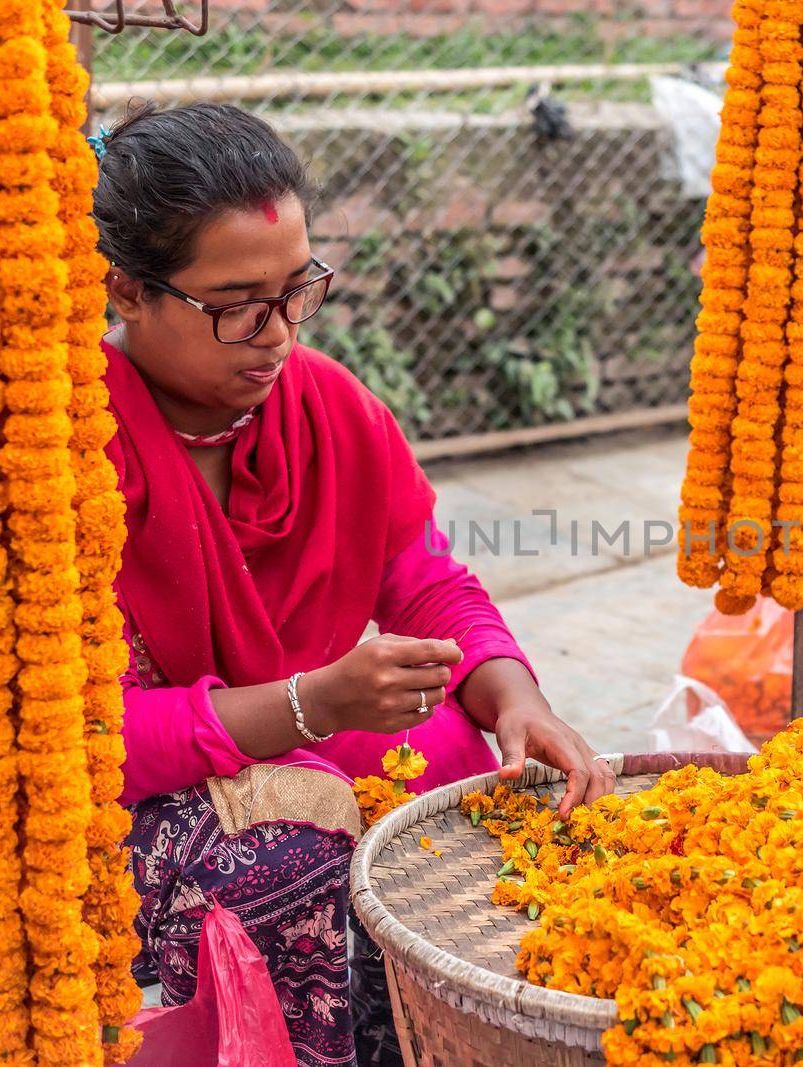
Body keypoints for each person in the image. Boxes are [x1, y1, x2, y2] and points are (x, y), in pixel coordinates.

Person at [93, 102, 614, 1066]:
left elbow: (423, 579)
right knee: (287, 865)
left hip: (312, 723)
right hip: (134, 790)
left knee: (493, 782)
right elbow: (90, 737)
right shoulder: (71, 452)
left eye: (300, 290)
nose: (279, 332)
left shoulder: (329, 407)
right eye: (237, 304)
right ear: (128, 291)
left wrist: (516, 694)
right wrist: (309, 703)